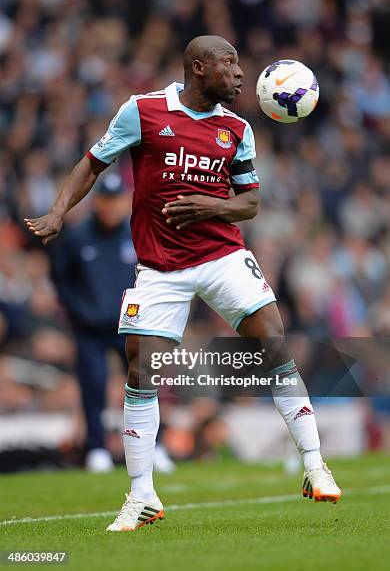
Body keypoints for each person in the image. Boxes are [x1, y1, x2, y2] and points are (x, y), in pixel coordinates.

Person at [25, 35, 341, 532]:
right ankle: (142, 495)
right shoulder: (144, 111)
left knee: (274, 345)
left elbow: (250, 202)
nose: (240, 74)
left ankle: (315, 465)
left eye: (240, 64)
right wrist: (58, 211)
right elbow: (93, 161)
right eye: (229, 63)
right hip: (160, 266)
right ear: (199, 68)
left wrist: (210, 207)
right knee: (139, 369)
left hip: (222, 255)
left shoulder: (236, 129)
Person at [50, 173, 135, 472]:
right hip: (89, 329)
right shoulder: (77, 237)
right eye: (106, 200)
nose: (111, 207)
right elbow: (61, 279)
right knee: (94, 386)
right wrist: (78, 311)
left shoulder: (136, 234)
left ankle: (152, 446)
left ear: (125, 202)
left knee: (142, 386)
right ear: (97, 201)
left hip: (129, 325)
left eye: (116, 200)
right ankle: (96, 448)